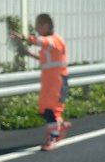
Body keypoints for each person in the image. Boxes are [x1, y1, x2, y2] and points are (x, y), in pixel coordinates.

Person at [10, 13, 70, 151]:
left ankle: (53, 138)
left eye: (38, 25)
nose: (36, 28)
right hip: (50, 81)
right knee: (44, 109)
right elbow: (45, 58)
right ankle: (60, 126)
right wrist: (29, 54)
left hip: (56, 81)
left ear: (46, 25)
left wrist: (24, 38)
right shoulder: (51, 42)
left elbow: (40, 41)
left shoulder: (53, 40)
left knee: (51, 110)